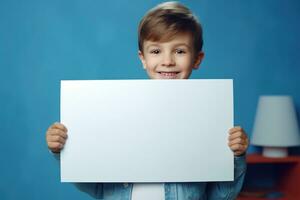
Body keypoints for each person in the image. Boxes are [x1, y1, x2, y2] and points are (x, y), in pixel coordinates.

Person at [46, 1, 249, 199]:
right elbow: (96, 187)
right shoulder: (115, 110)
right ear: (143, 58)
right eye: (156, 51)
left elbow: (222, 195)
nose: (167, 61)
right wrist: (63, 149)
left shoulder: (209, 117)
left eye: (179, 51)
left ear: (197, 59)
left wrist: (236, 156)